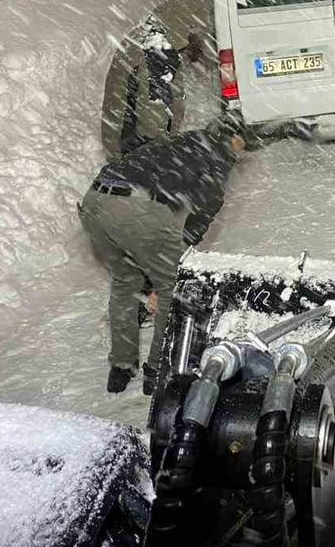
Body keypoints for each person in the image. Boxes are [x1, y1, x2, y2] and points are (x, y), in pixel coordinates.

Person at [80, 121, 245, 395]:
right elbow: (203, 212)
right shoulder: (219, 154)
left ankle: (121, 368)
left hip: (96, 200)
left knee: (125, 281)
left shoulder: (179, 142)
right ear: (232, 139)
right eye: (241, 143)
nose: (241, 152)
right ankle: (158, 371)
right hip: (134, 206)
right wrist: (173, 265)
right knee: (174, 288)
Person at [100, 0, 211, 163]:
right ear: (183, 23)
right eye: (193, 28)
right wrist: (163, 154)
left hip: (121, 137)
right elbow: (152, 119)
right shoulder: (158, 53)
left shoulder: (143, 35)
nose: (194, 37)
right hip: (135, 148)